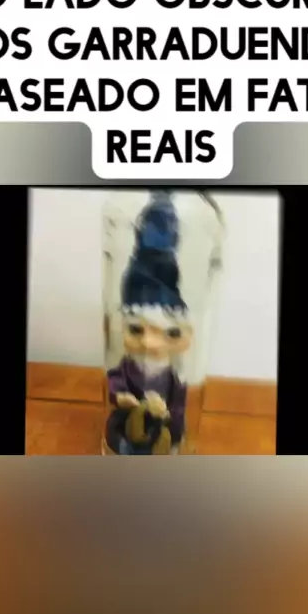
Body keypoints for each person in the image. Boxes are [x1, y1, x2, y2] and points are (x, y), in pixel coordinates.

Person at [105, 192, 193, 455]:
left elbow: (180, 403)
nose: (149, 343)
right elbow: (115, 381)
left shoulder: (172, 375)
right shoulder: (128, 366)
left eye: (171, 333)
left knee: (166, 437)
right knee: (117, 428)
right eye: (135, 330)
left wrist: (165, 412)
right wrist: (122, 397)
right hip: (129, 420)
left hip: (161, 426)